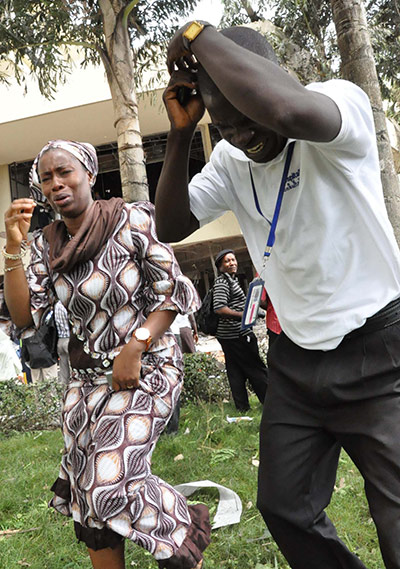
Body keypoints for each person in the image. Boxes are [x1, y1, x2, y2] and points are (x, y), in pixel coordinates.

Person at [155, 22, 400, 569]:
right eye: (225, 126)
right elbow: (170, 224)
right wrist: (178, 134)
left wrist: (195, 34)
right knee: (283, 506)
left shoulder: (339, 105)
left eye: (247, 118)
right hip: (295, 363)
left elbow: (286, 112)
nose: (242, 136)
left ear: (270, 81)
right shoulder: (230, 161)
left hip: (380, 355)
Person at [3, 139, 210, 569]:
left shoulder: (132, 219)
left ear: (90, 175)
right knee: (87, 497)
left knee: (106, 485)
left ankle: (182, 526)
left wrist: (136, 344)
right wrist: (12, 248)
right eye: (46, 177)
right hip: (86, 385)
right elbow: (25, 316)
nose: (56, 183)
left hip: (147, 369)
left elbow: (171, 292)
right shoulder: (43, 245)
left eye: (65, 172)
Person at [213, 248, 268, 411]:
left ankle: (242, 408)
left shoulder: (231, 280)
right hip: (237, 333)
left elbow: (236, 304)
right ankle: (270, 402)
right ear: (220, 266)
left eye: (233, 259)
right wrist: (245, 316)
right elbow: (220, 308)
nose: (232, 263)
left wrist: (254, 312)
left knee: (235, 370)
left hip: (228, 334)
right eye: (227, 261)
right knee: (256, 368)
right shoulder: (223, 282)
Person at [54, 300, 71, 387]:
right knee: (72, 369)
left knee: (63, 368)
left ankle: (64, 389)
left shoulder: (57, 306)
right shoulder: (66, 305)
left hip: (60, 339)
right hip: (69, 339)